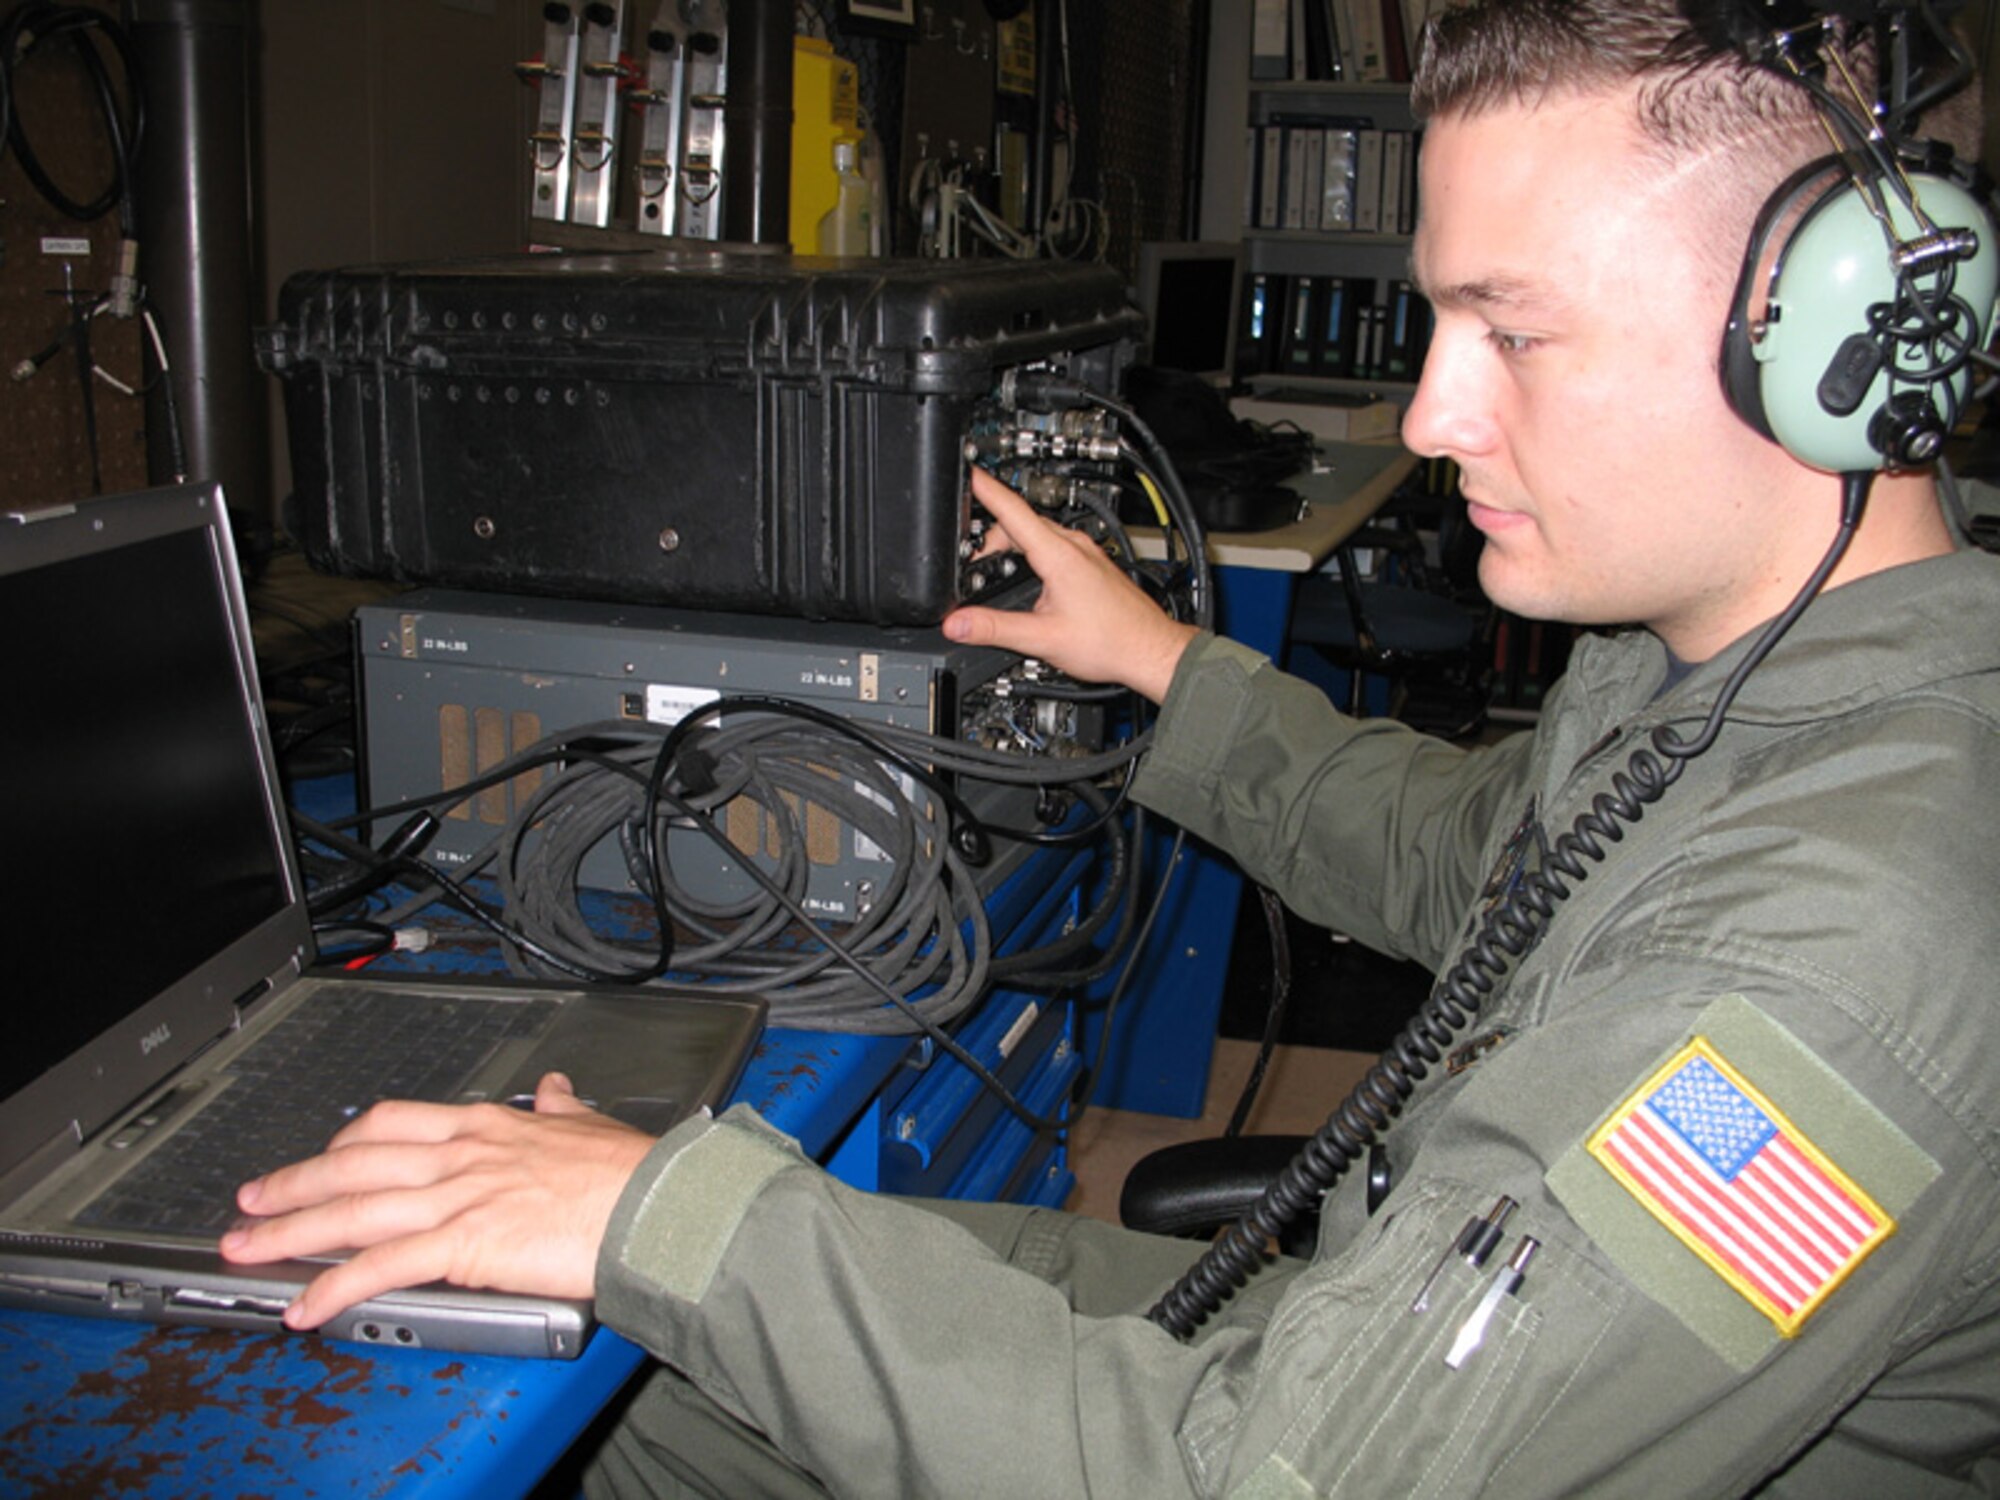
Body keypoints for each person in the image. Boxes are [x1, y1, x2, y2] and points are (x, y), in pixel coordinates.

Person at [221, 2, 2000, 1493]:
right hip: (1382, 1325)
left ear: (1832, 354)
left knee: (621, 1328)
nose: (1433, 414)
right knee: (591, 1354)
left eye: (1514, 333)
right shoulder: (1732, 676)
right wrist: (1158, 663)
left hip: (1332, 1429)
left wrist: (662, 1216)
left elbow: (1268, 1477)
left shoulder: (1839, 962)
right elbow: (1469, 858)